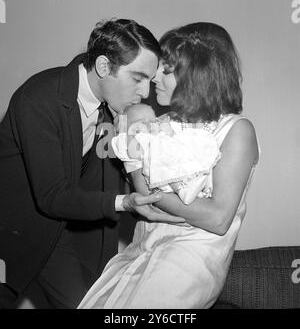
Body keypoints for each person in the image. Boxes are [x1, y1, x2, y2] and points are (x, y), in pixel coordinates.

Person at [0, 18, 184, 309]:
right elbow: (52, 195)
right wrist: (126, 203)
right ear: (102, 67)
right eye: (137, 78)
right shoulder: (38, 98)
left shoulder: (114, 109)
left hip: (63, 234)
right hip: (12, 231)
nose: (146, 92)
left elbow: (111, 176)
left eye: (149, 80)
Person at [78, 22, 260, 309]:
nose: (154, 79)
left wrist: (157, 198)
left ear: (197, 75)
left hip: (189, 260)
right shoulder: (155, 124)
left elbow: (217, 219)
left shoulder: (236, 131)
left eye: (166, 70)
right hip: (141, 250)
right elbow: (143, 194)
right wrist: (130, 137)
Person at [111, 103, 221, 204]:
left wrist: (167, 131)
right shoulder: (137, 140)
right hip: (159, 174)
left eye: (152, 120)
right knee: (168, 169)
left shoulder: (159, 132)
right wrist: (130, 135)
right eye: (142, 122)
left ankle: (198, 182)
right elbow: (134, 154)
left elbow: (175, 139)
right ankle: (184, 192)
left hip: (176, 164)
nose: (149, 124)